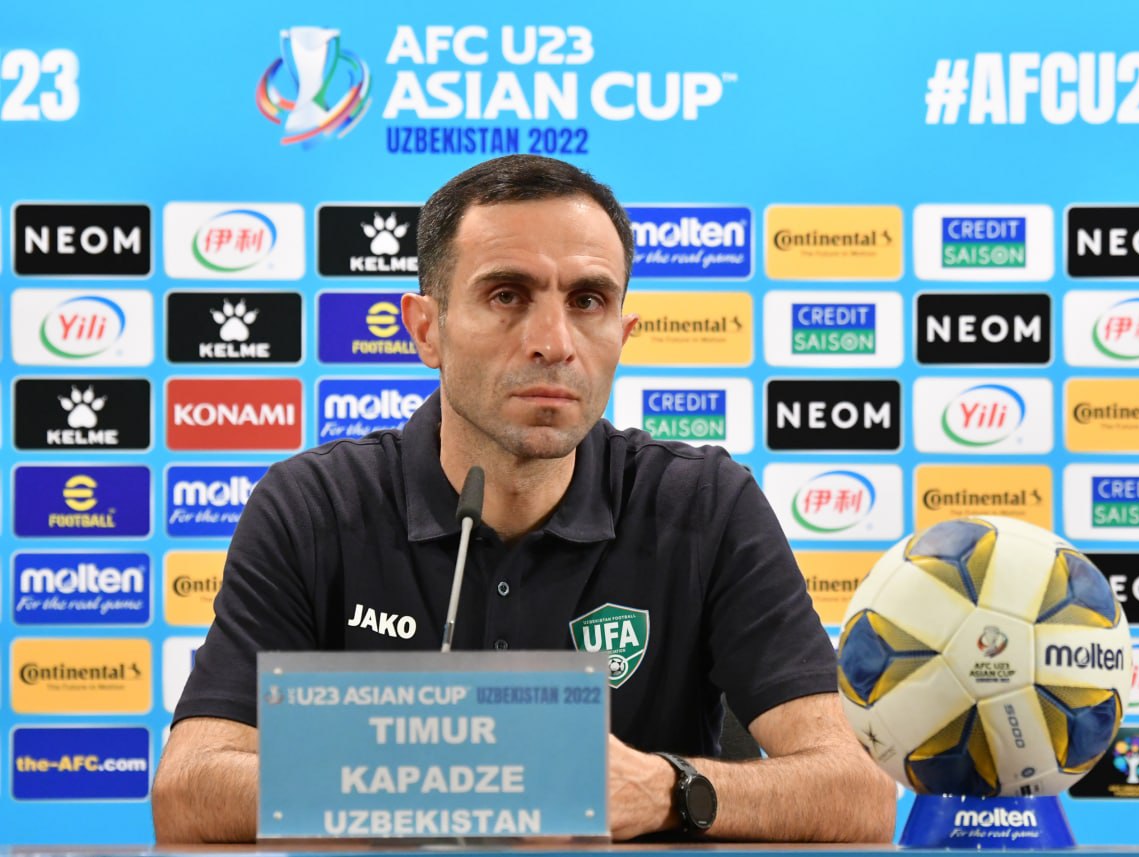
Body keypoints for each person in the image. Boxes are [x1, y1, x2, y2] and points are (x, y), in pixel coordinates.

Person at [151, 155, 895, 843]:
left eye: (588, 300)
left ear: (623, 332)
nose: (553, 341)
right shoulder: (314, 505)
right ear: (426, 328)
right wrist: (446, 783)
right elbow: (188, 790)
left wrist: (668, 790)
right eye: (507, 295)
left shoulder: (703, 503)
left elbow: (860, 794)